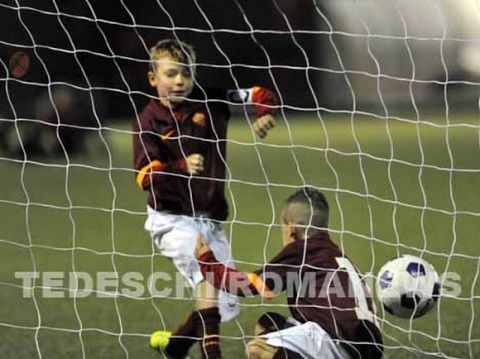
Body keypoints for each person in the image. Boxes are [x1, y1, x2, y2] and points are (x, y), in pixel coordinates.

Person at [133, 38, 278, 358]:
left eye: (186, 72)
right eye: (171, 74)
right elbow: (143, 176)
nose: (180, 80)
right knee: (207, 272)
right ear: (153, 78)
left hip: (209, 219)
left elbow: (258, 93)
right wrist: (179, 166)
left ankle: (176, 345)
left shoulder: (211, 99)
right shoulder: (148, 121)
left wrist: (265, 112)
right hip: (171, 218)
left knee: (226, 301)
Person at [195, 187, 384, 358]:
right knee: (268, 323)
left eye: (282, 228)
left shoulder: (303, 250)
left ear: (292, 229)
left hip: (339, 344)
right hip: (365, 347)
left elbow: (243, 285)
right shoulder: (334, 255)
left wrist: (206, 260)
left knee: (259, 350)